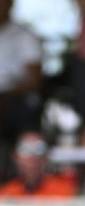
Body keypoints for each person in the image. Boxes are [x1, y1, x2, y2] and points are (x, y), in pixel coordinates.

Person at [0, 0, 42, 179]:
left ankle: (22, 175)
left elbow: (35, 79)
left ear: (10, 5)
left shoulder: (24, 35)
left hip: (15, 97)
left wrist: (6, 92)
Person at [0, 132, 77, 199]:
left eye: (39, 150)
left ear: (46, 158)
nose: (32, 158)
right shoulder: (5, 194)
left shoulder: (64, 193)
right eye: (25, 150)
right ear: (16, 157)